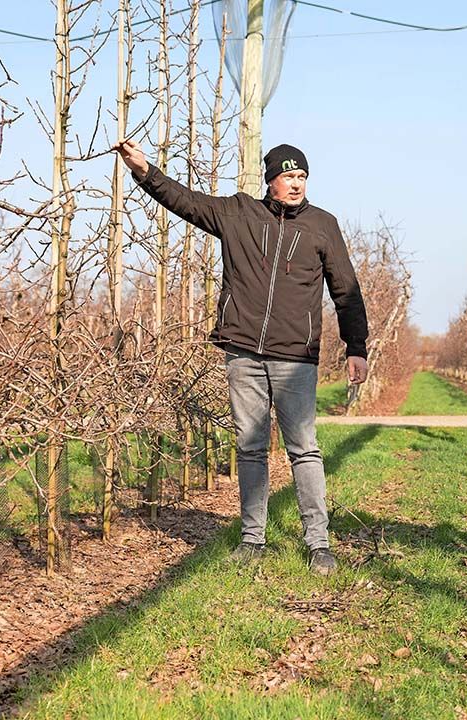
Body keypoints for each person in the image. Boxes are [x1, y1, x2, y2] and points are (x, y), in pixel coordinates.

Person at [114, 140, 369, 576]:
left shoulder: (322, 225)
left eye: (302, 177)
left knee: (304, 449)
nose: (296, 184)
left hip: (296, 357)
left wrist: (356, 346)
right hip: (243, 352)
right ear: (270, 180)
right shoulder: (238, 214)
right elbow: (186, 202)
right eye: (288, 176)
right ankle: (253, 539)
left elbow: (345, 288)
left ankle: (319, 544)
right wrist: (145, 171)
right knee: (250, 449)